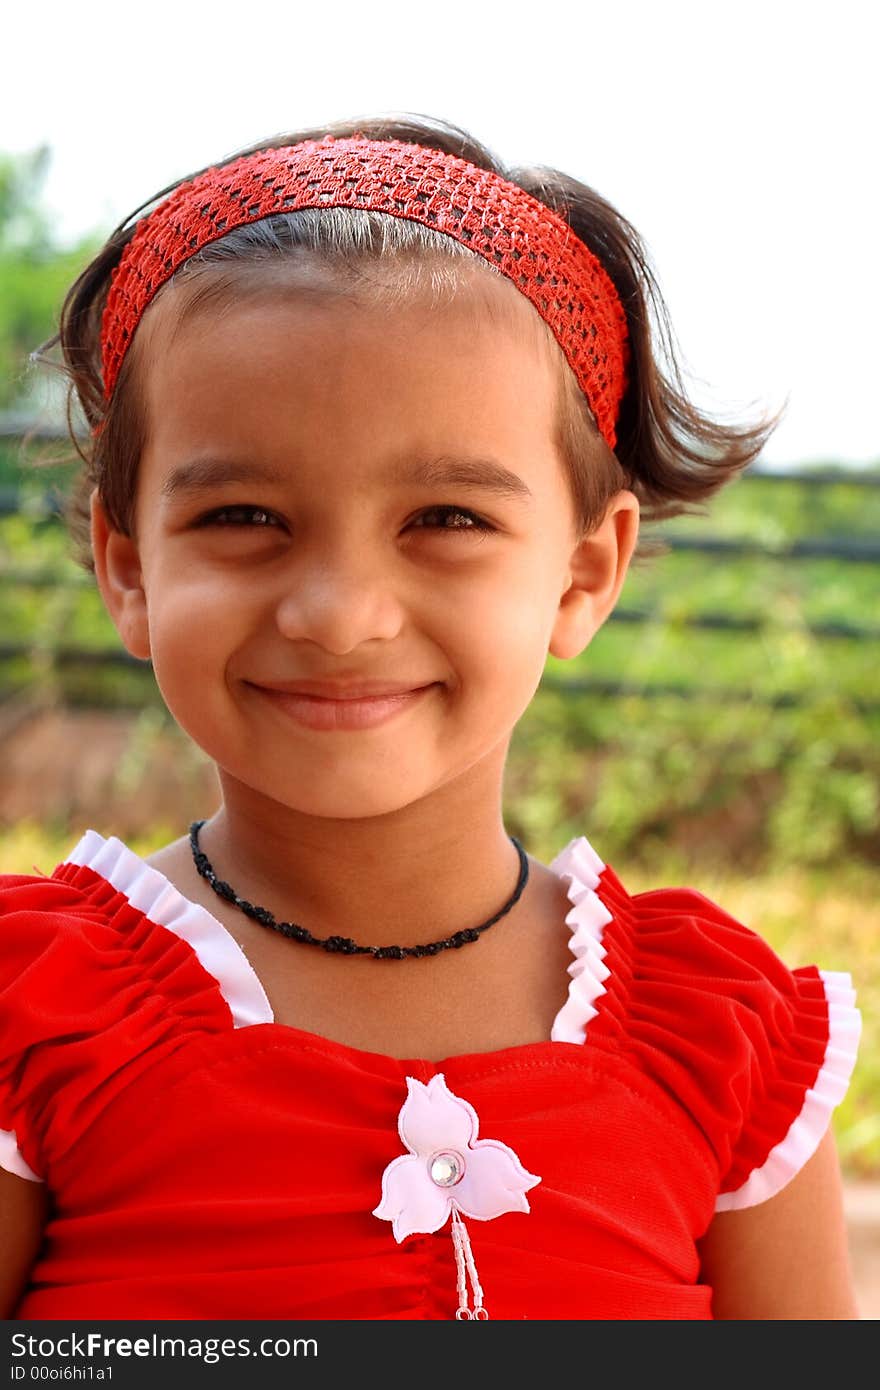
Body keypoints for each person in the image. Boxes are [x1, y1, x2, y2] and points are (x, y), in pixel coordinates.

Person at [0, 114, 862, 1322]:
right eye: (243, 516)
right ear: (128, 566)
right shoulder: (30, 1015)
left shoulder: (727, 1045)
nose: (339, 615)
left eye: (446, 520)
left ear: (581, 573)